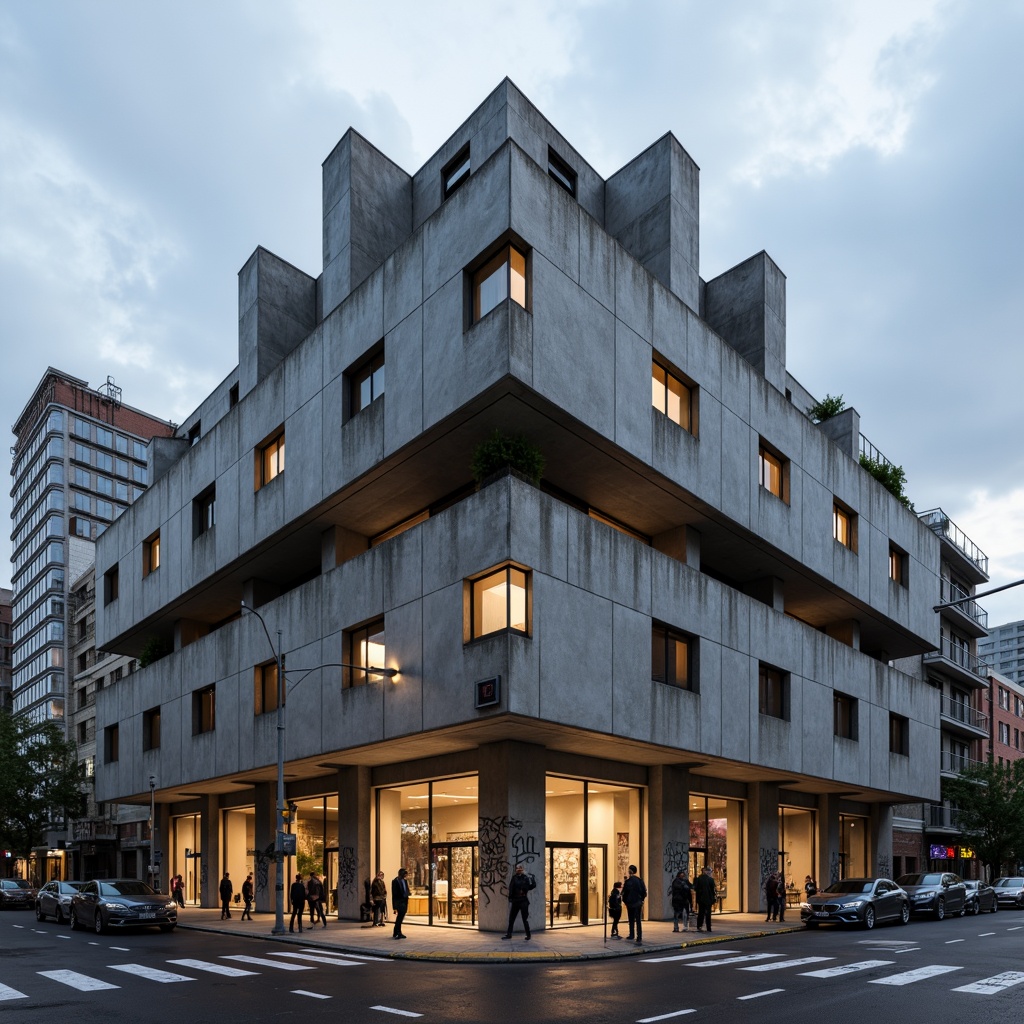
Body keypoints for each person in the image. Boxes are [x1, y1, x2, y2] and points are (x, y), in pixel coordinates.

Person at [501, 863, 537, 940]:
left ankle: (528, 935)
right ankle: (509, 934)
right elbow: (511, 888)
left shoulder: (526, 878)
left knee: (525, 919)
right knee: (511, 919)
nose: (519, 870)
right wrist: (510, 898)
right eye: (518, 869)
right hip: (516, 901)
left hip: (523, 901)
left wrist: (532, 879)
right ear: (516, 870)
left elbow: (531, 886)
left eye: (520, 869)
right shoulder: (514, 878)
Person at [622, 864, 647, 945]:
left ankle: (631, 934)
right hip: (638, 902)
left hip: (630, 903)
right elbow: (644, 892)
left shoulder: (628, 881)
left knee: (631, 919)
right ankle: (639, 936)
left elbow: (624, 893)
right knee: (638, 920)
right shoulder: (640, 881)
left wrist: (625, 901)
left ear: (630, 871)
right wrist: (641, 900)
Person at [694, 865, 717, 932]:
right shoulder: (711, 880)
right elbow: (713, 890)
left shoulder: (698, 879)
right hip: (708, 899)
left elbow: (695, 888)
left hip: (701, 899)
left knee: (701, 913)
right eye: (710, 872)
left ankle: (699, 926)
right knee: (708, 914)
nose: (711, 873)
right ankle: (708, 927)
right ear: (707, 872)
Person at [391, 867, 410, 939]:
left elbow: (406, 889)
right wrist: (394, 906)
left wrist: (408, 894)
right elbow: (394, 894)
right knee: (399, 917)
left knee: (401, 917)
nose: (406, 875)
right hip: (399, 902)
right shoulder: (395, 881)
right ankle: (398, 932)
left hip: (405, 901)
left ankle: (396, 931)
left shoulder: (404, 881)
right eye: (405, 874)